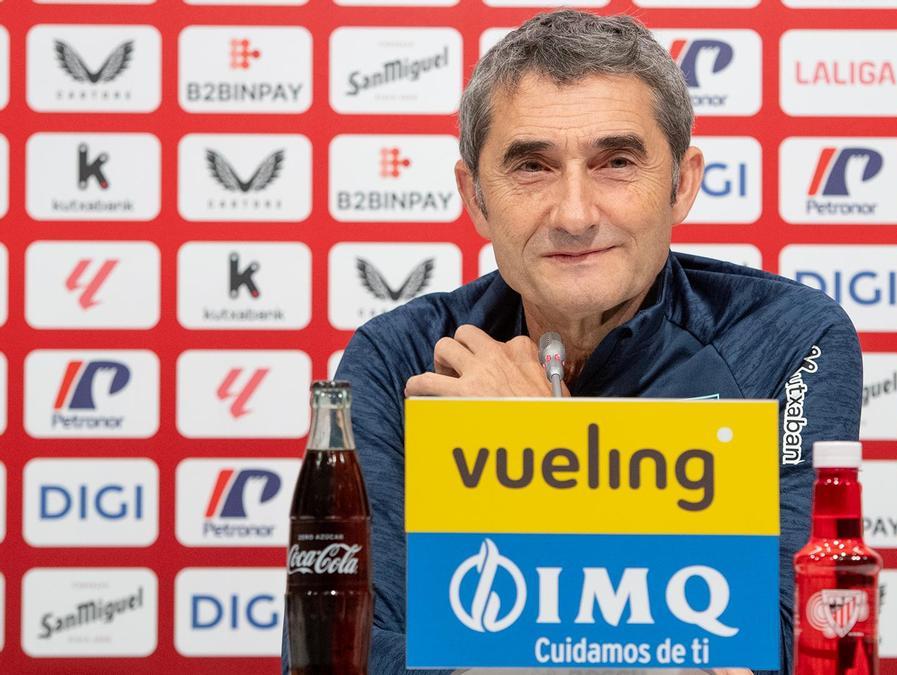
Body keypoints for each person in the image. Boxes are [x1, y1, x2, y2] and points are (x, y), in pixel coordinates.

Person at [285, 9, 861, 675]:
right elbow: (342, 655)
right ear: (475, 198)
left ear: (681, 183)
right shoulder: (397, 359)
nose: (576, 214)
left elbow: (793, 646)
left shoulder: (787, 338)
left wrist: (541, 450)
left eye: (616, 162)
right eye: (532, 166)